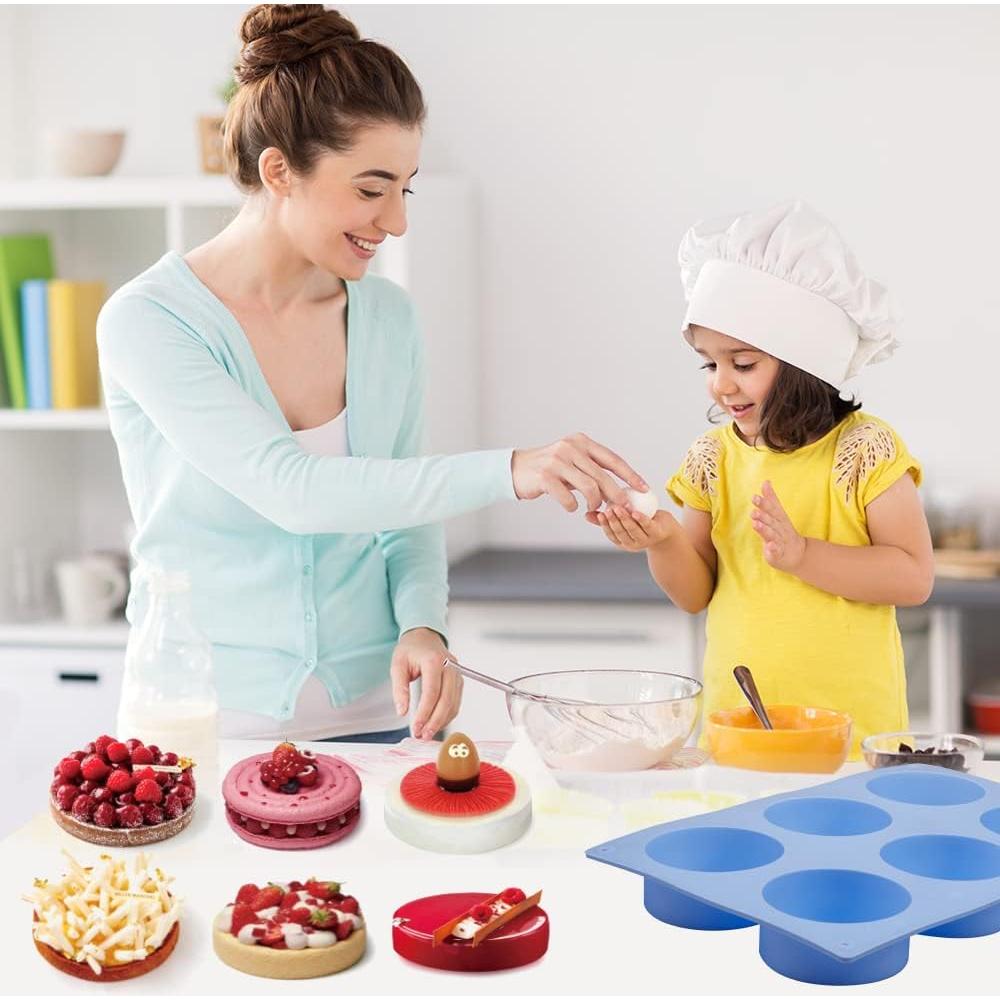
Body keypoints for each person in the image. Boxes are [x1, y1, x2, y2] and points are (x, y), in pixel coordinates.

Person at [97, 4, 647, 744]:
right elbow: (288, 490)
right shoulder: (151, 322)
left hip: (374, 720)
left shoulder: (387, 319)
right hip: (207, 721)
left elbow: (404, 508)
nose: (395, 221)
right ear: (278, 171)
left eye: (405, 188)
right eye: (370, 188)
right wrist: (512, 470)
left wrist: (424, 625)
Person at [589, 201, 934, 757]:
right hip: (741, 728)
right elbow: (695, 594)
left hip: (852, 736)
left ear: (804, 361)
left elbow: (913, 577)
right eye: (709, 364)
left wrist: (803, 556)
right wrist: (662, 541)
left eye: (742, 364)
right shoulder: (711, 459)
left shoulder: (866, 450)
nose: (721, 384)